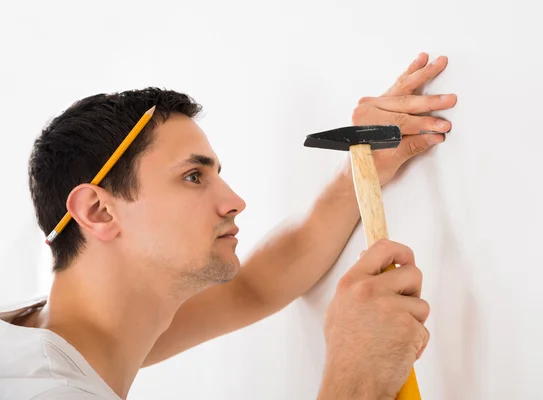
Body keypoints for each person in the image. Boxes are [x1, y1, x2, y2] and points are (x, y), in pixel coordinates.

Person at [0, 52, 457, 400]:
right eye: (193, 177)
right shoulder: (43, 389)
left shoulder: (54, 332)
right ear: (98, 211)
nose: (234, 201)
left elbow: (253, 288)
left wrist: (361, 168)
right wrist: (357, 377)